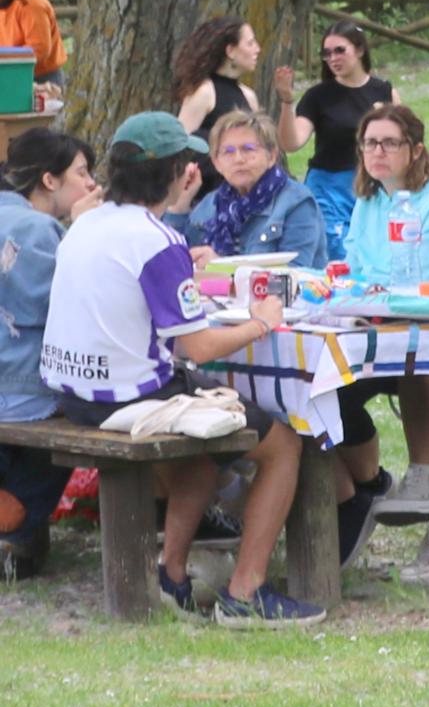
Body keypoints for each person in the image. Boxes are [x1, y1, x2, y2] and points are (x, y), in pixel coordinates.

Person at [44, 111, 319, 622]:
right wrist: (261, 322)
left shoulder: (86, 224)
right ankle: (246, 590)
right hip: (127, 397)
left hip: (73, 392)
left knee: (204, 441)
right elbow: (200, 347)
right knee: (282, 443)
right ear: (176, 173)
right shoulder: (156, 239)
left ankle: (171, 575)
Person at [336, 103, 429, 506]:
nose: (377, 152)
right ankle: (363, 487)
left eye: (390, 143)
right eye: (370, 143)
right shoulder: (368, 201)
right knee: (323, 390)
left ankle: (425, 475)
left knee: (415, 352)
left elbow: (427, 276)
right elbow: (351, 268)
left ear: (416, 150)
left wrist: (366, 288)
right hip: (367, 324)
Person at [0, 128, 98, 578]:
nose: (92, 183)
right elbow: (74, 312)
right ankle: (16, 525)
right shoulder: (41, 230)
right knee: (86, 407)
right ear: (49, 180)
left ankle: (21, 538)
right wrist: (79, 235)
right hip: (24, 390)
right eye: (82, 172)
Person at [184, 108, 336, 272]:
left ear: (271, 156)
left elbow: (294, 275)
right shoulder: (210, 204)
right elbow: (175, 260)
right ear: (216, 162)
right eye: (228, 151)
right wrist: (180, 204)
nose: (239, 159)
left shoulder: (297, 202)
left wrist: (221, 266)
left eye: (248, 149)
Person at [292, 23, 394, 233]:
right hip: (328, 187)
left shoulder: (383, 92)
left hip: (372, 185)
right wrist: (286, 102)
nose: (333, 58)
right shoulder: (317, 96)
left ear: (360, 50)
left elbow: (403, 143)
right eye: (327, 54)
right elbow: (292, 142)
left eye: (340, 50)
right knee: (337, 253)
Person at [170, 18, 299, 160]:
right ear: (230, 51)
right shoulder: (204, 92)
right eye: (250, 43)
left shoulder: (249, 95)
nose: (258, 49)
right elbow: (179, 146)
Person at [0, 0, 66, 94]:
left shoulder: (31, 4)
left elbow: (39, 49)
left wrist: (7, 71)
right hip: (9, 73)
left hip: (43, 78)